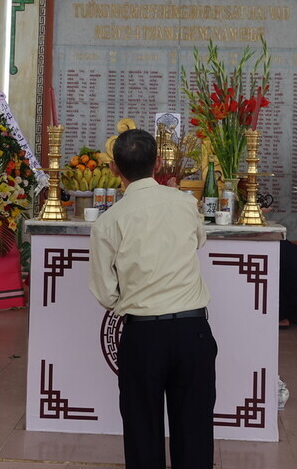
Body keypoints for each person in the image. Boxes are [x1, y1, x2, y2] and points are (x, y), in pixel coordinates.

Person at [89, 128, 216, 469]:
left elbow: (105, 292)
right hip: (193, 332)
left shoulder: (108, 222)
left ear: (114, 169)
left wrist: (132, 302)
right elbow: (199, 242)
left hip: (142, 335)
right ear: (158, 163)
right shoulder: (185, 203)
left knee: (142, 430)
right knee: (195, 431)